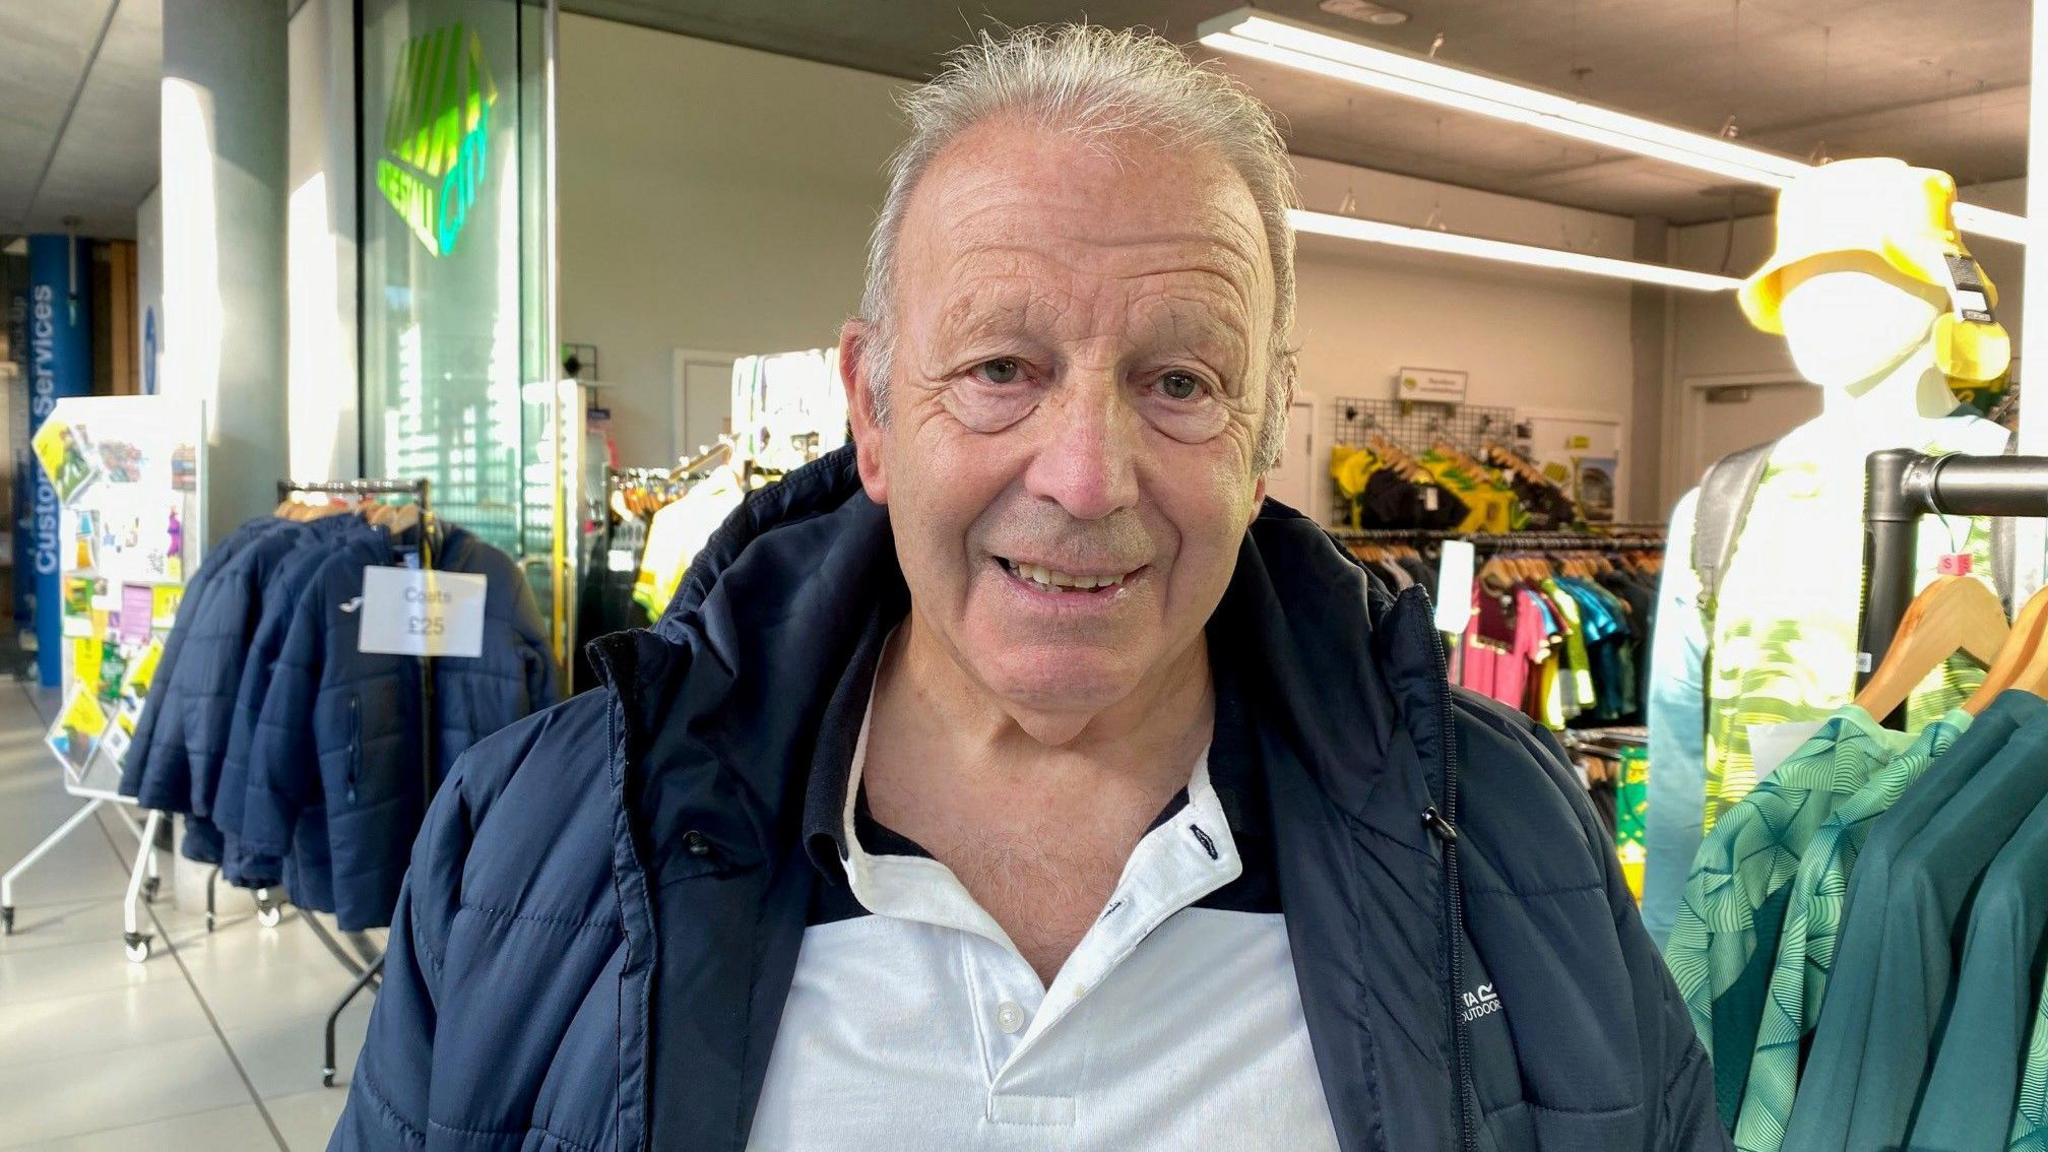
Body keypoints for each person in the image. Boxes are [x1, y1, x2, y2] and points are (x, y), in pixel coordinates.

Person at [333, 25, 1719, 1152]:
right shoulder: (545, 834)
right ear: (873, 411)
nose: (1085, 476)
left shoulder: (1509, 840)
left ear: (1260, 434)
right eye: (1001, 368)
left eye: (1179, 382)